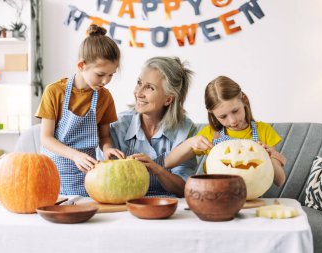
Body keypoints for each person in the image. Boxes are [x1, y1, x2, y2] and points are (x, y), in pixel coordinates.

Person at [35, 24, 124, 196]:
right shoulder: (54, 91)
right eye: (100, 74)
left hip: (87, 177)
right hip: (52, 174)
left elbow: (104, 136)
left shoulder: (105, 97)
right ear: (82, 65)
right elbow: (46, 139)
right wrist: (75, 155)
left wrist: (107, 149)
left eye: (111, 74)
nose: (106, 81)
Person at [166, 75, 286, 187]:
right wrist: (190, 143)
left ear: (243, 100)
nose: (232, 120)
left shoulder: (264, 131)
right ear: (212, 114)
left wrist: (267, 155)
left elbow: (279, 181)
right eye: (223, 117)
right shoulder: (209, 134)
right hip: (216, 197)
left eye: (235, 111)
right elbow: (168, 163)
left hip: (251, 198)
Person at [108, 56, 197, 197]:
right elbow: (107, 182)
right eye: (139, 83)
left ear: (168, 99)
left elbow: (185, 188)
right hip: (126, 206)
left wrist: (157, 169)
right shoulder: (117, 126)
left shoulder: (185, 130)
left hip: (172, 208)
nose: (138, 93)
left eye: (149, 87)